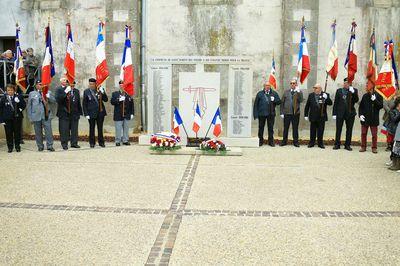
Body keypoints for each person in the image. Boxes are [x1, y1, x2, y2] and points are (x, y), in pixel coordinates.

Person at [27, 80, 55, 151]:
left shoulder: (48, 92)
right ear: (36, 85)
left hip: (46, 115)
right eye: (39, 84)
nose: (41, 86)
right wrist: (30, 117)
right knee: (38, 132)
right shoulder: (32, 93)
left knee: (48, 131)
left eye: (42, 84)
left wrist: (49, 97)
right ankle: (40, 146)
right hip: (36, 116)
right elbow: (29, 106)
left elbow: (54, 102)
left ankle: (50, 145)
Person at [55, 78, 83, 150]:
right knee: (64, 130)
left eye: (73, 85)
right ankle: (64, 144)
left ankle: (74, 143)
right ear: (67, 84)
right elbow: (58, 100)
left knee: (74, 130)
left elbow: (78, 102)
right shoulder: (60, 90)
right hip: (64, 113)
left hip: (74, 113)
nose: (72, 87)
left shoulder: (76, 91)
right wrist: (65, 92)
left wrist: (80, 112)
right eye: (71, 85)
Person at [332, 77, 359, 151]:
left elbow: (356, 100)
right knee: (338, 129)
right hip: (340, 113)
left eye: (347, 83)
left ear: (350, 84)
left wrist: (353, 93)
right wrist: (334, 113)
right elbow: (336, 103)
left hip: (350, 113)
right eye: (345, 83)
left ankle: (347, 145)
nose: (346, 84)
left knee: (349, 130)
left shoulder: (354, 90)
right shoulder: (339, 91)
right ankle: (337, 144)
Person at [304, 83, 332, 149]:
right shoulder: (311, 95)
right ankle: (311, 143)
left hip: (321, 116)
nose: (314, 89)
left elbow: (330, 103)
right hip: (313, 115)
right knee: (312, 131)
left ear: (320, 89)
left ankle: (320, 143)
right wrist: (306, 114)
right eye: (314, 88)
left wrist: (327, 98)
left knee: (320, 131)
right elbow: (307, 105)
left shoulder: (325, 94)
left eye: (316, 88)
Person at [253, 81, 281, 146]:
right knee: (261, 128)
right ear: (264, 86)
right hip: (261, 114)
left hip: (271, 114)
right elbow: (256, 105)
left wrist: (274, 100)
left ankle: (271, 141)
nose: (267, 87)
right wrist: (255, 114)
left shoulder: (274, 93)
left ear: (270, 86)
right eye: (266, 85)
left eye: (268, 85)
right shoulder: (259, 94)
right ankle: (260, 141)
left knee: (271, 128)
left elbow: (279, 102)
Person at [82, 78, 108, 148]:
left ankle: (101, 142)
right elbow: (84, 104)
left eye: (92, 84)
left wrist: (103, 92)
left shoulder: (99, 90)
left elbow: (106, 100)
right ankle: (92, 142)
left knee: (100, 128)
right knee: (92, 128)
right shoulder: (86, 91)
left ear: (95, 84)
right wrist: (86, 114)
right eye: (90, 84)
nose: (91, 85)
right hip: (91, 113)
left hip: (100, 112)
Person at [0, 84, 26, 152]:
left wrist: (19, 103)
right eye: (8, 90)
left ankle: (17, 146)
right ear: (6, 91)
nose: (10, 91)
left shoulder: (18, 96)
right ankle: (10, 147)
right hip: (7, 119)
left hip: (17, 118)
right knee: (8, 133)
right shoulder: (3, 98)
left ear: (14, 90)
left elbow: (24, 105)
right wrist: (1, 120)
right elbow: (1, 109)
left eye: (11, 90)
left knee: (17, 133)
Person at [280, 77, 303, 147]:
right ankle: (284, 141)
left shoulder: (299, 92)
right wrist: (281, 112)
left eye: (294, 83)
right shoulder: (286, 92)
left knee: (295, 128)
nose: (292, 84)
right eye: (291, 83)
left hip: (295, 113)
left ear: (296, 84)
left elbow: (301, 100)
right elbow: (282, 102)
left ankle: (295, 142)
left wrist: (298, 92)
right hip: (287, 113)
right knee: (286, 128)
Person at [358, 88, 383, 153]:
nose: (370, 90)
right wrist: (360, 115)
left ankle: (374, 147)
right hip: (365, 118)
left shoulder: (379, 96)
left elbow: (380, 106)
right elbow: (361, 107)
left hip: (374, 119)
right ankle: (363, 146)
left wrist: (375, 100)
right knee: (363, 133)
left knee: (374, 135)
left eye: (371, 89)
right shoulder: (365, 96)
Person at [111, 81, 134, 146]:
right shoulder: (115, 94)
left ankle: (125, 140)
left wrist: (132, 113)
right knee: (118, 129)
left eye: (123, 85)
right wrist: (119, 100)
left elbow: (132, 105)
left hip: (127, 114)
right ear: (119, 86)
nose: (122, 86)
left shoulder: (128, 94)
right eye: (120, 85)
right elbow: (112, 102)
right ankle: (118, 141)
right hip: (118, 115)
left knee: (126, 128)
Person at [388, 99, 400, 171]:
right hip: (395, 131)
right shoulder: (393, 111)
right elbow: (394, 120)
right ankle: (395, 164)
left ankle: (397, 165)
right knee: (396, 147)